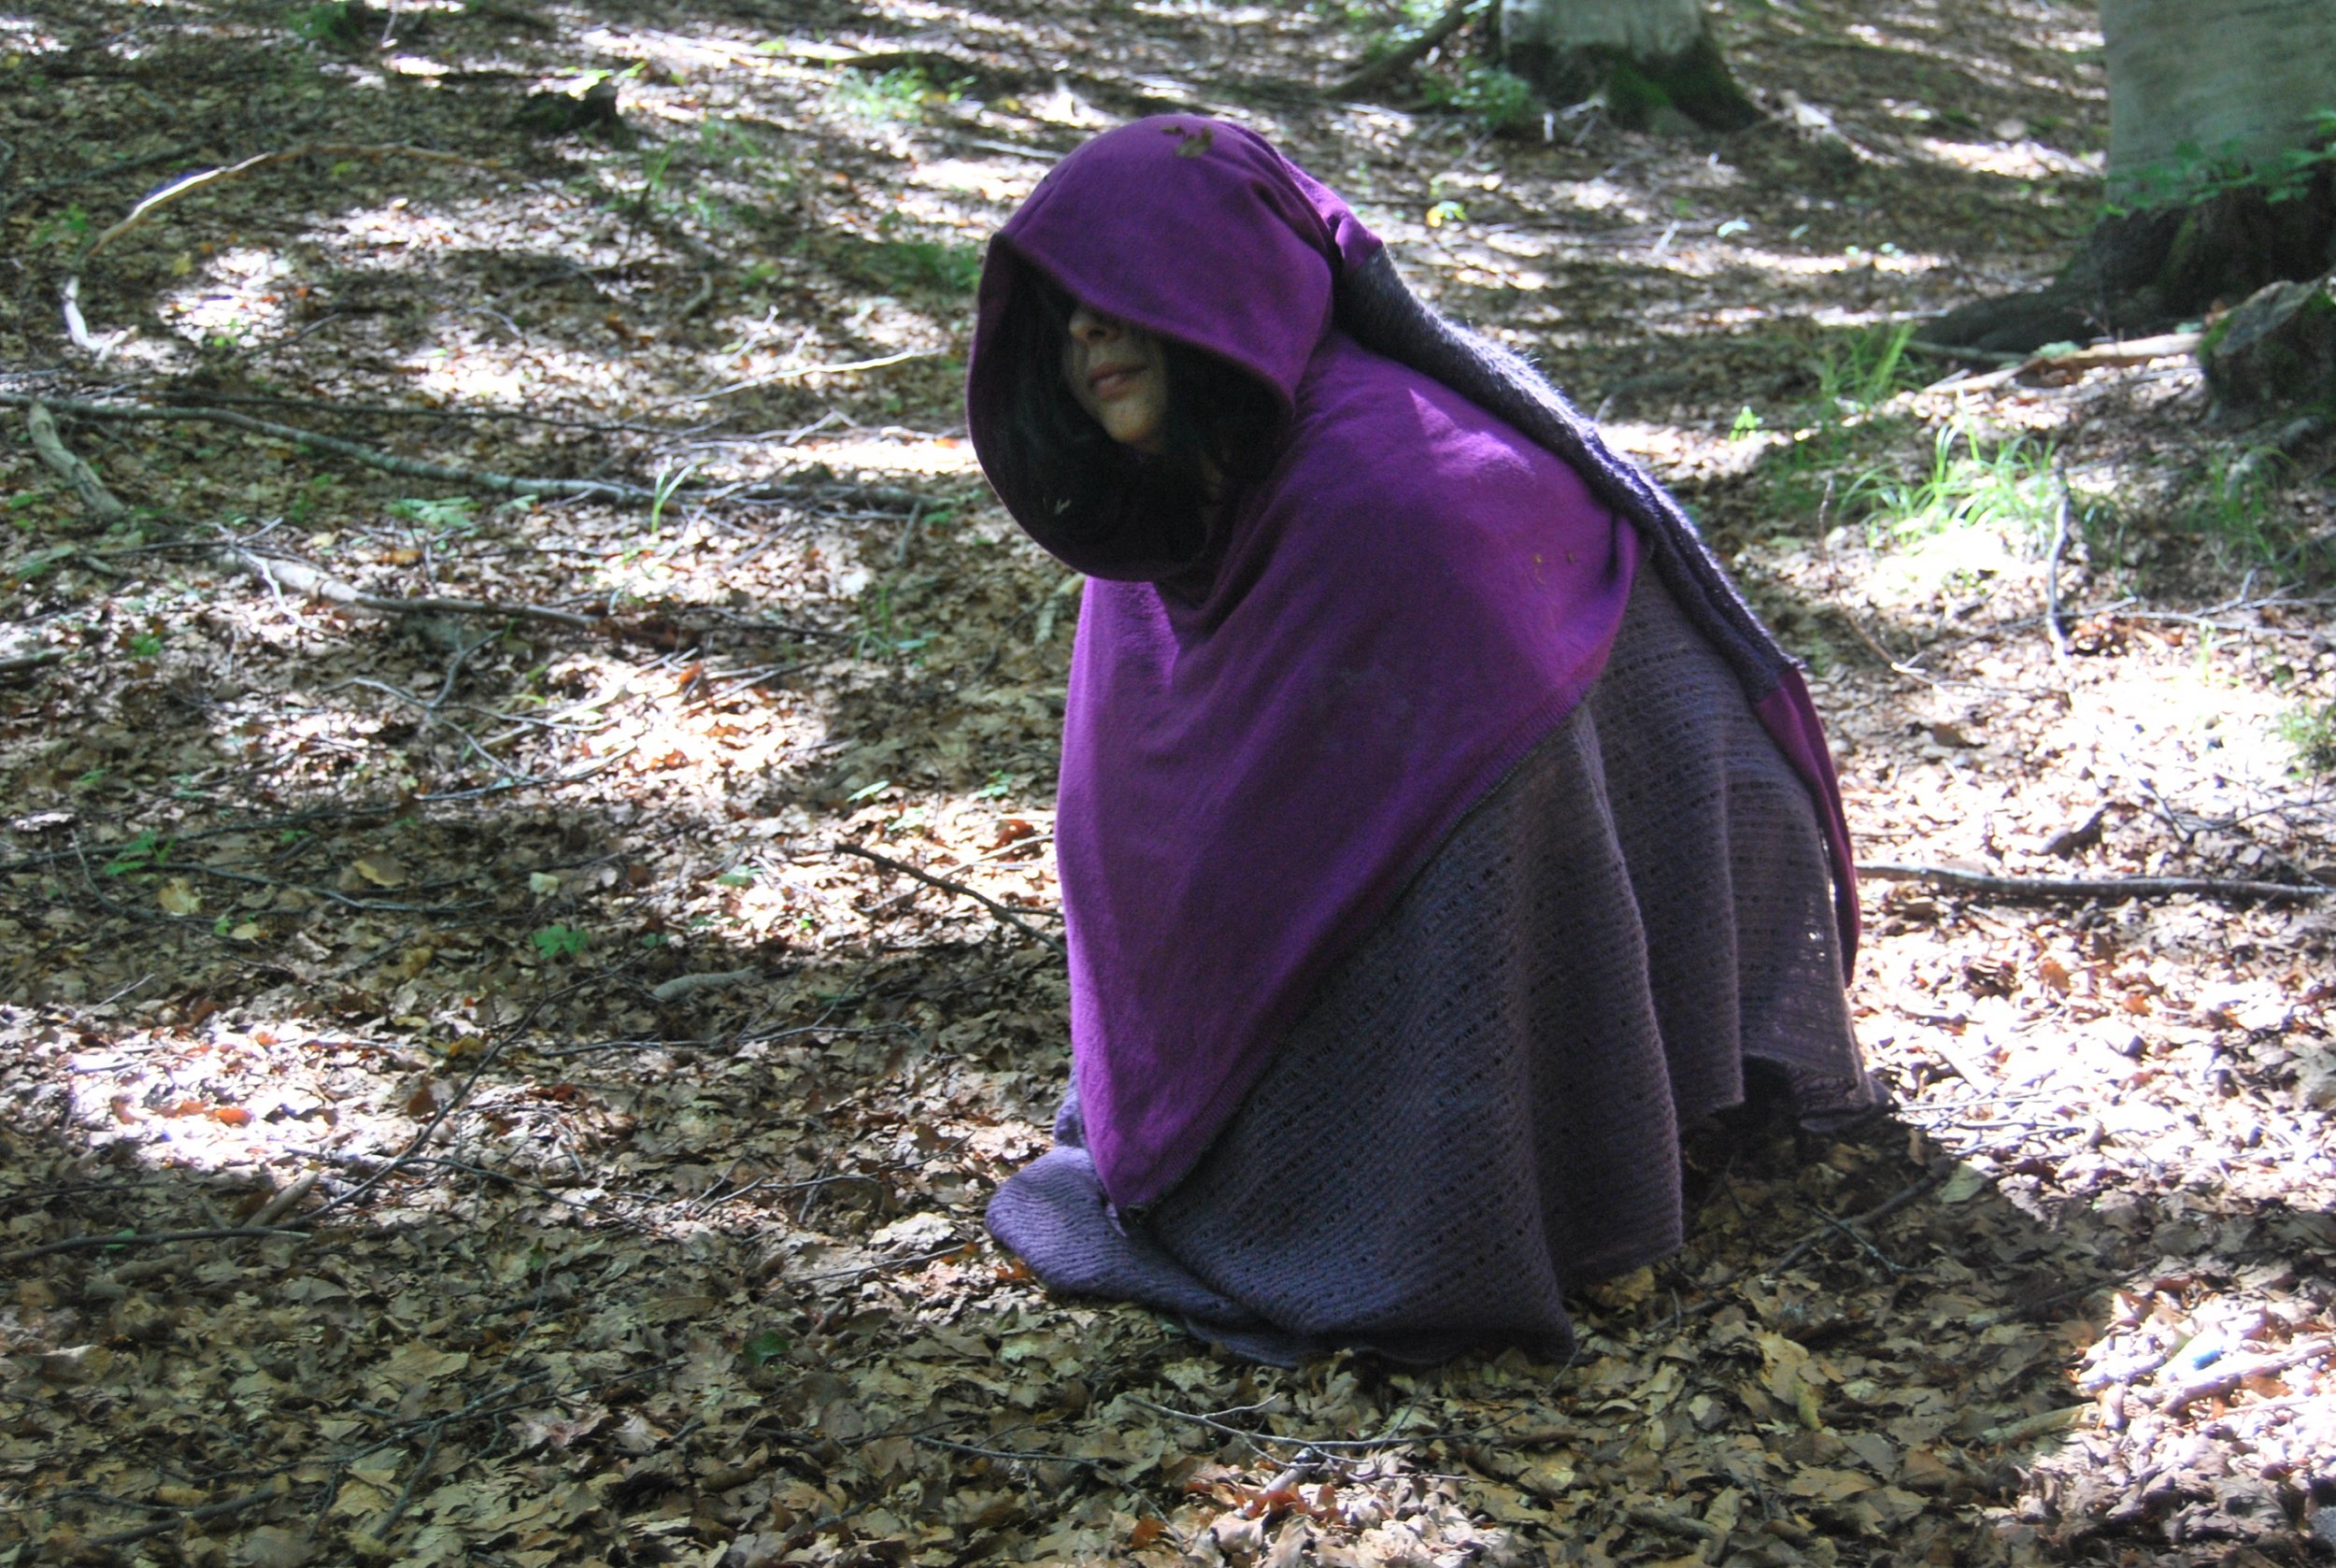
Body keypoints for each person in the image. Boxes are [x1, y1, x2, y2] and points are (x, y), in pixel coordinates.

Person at [966, 116, 1880, 1365]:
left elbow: (1468, 863)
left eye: (1124, 289)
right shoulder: (1155, 518)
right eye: (1064, 307)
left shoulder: (1394, 498)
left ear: (1223, 279)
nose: (1086, 331)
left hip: (1650, 808)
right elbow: (1144, 855)